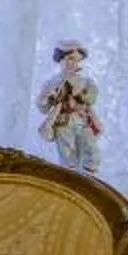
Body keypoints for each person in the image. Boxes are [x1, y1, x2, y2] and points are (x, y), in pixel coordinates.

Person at [36, 40, 105, 175]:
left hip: (82, 121)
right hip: (63, 122)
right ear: (60, 60)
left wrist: (80, 93)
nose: (72, 63)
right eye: (68, 59)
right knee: (68, 157)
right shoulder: (52, 82)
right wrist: (49, 97)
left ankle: (89, 180)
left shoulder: (85, 81)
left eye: (76, 60)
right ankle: (71, 181)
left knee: (91, 152)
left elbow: (91, 98)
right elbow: (43, 107)